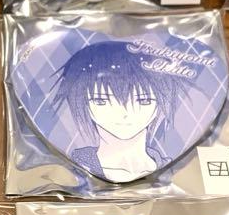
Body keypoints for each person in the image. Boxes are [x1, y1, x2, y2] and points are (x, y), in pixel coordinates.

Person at [55, 40, 186, 183]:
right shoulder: (72, 167)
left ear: (159, 104)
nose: (124, 113)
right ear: (84, 102)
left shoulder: (172, 169)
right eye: (101, 101)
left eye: (144, 100)